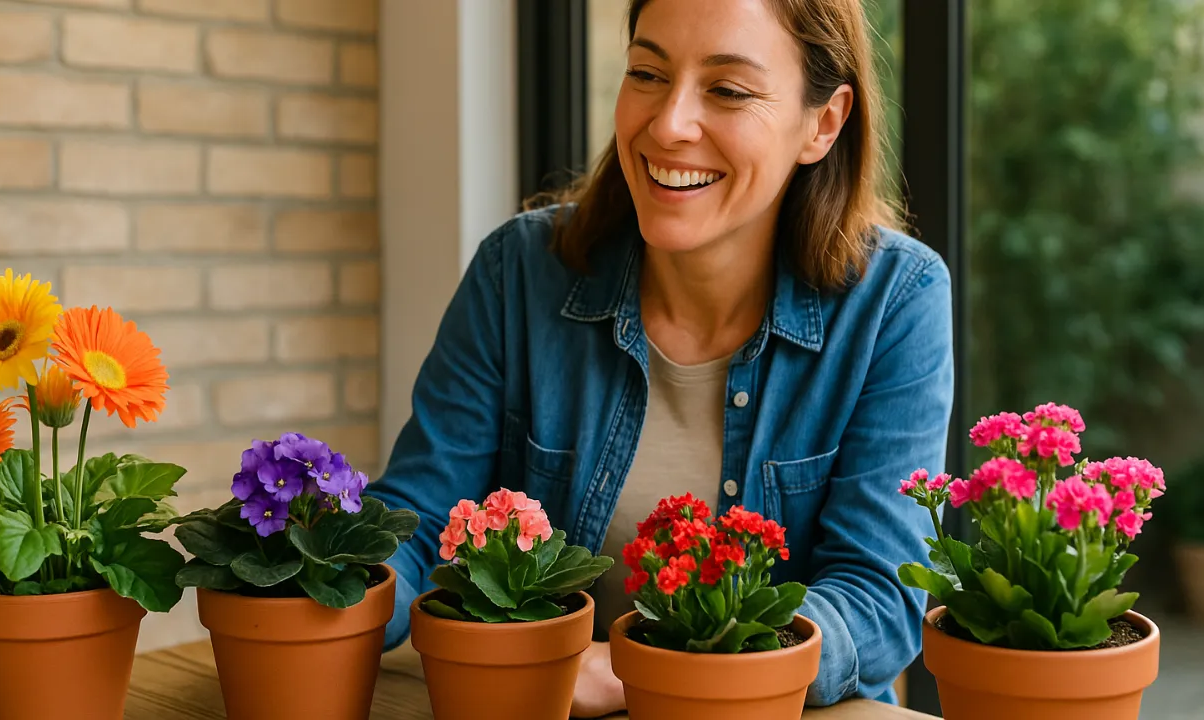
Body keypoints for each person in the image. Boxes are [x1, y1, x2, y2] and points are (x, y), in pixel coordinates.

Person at [364, 0, 953, 715]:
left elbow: (878, 598)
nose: (669, 124)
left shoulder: (896, 299)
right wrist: (316, 585)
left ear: (823, 123)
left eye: (728, 90)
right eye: (647, 72)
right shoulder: (516, 272)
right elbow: (418, 521)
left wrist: (638, 671)